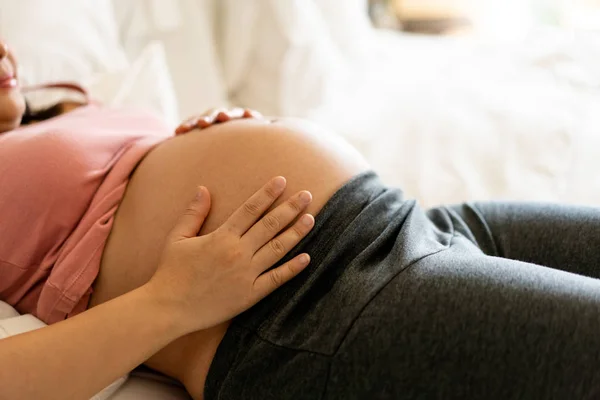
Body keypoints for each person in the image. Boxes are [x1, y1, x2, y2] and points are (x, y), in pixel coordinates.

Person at [2, 38, 600, 400]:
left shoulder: (50, 107)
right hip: (308, 312)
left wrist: (213, 136)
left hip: (397, 220)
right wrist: (170, 302)